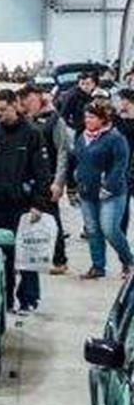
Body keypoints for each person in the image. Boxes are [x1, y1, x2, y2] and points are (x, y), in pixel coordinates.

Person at [0, 89, 53, 311]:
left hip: (23, 206)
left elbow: (43, 173)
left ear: (15, 105)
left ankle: (28, 299)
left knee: (26, 255)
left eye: (3, 110)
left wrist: (38, 204)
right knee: (2, 256)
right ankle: (5, 299)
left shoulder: (32, 134)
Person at [70, 100, 134, 280]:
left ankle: (129, 261)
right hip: (86, 192)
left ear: (103, 119)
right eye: (86, 117)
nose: (87, 120)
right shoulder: (82, 136)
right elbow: (77, 160)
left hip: (111, 194)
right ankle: (98, 266)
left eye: (91, 117)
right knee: (92, 230)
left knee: (109, 229)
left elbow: (121, 166)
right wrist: (74, 183)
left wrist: (108, 187)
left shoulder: (116, 139)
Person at [23, 85, 73, 275]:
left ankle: (60, 259)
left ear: (39, 98)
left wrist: (59, 181)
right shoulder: (28, 119)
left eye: (30, 101)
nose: (28, 105)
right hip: (30, 178)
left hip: (49, 178)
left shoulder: (55, 120)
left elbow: (62, 152)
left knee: (52, 218)